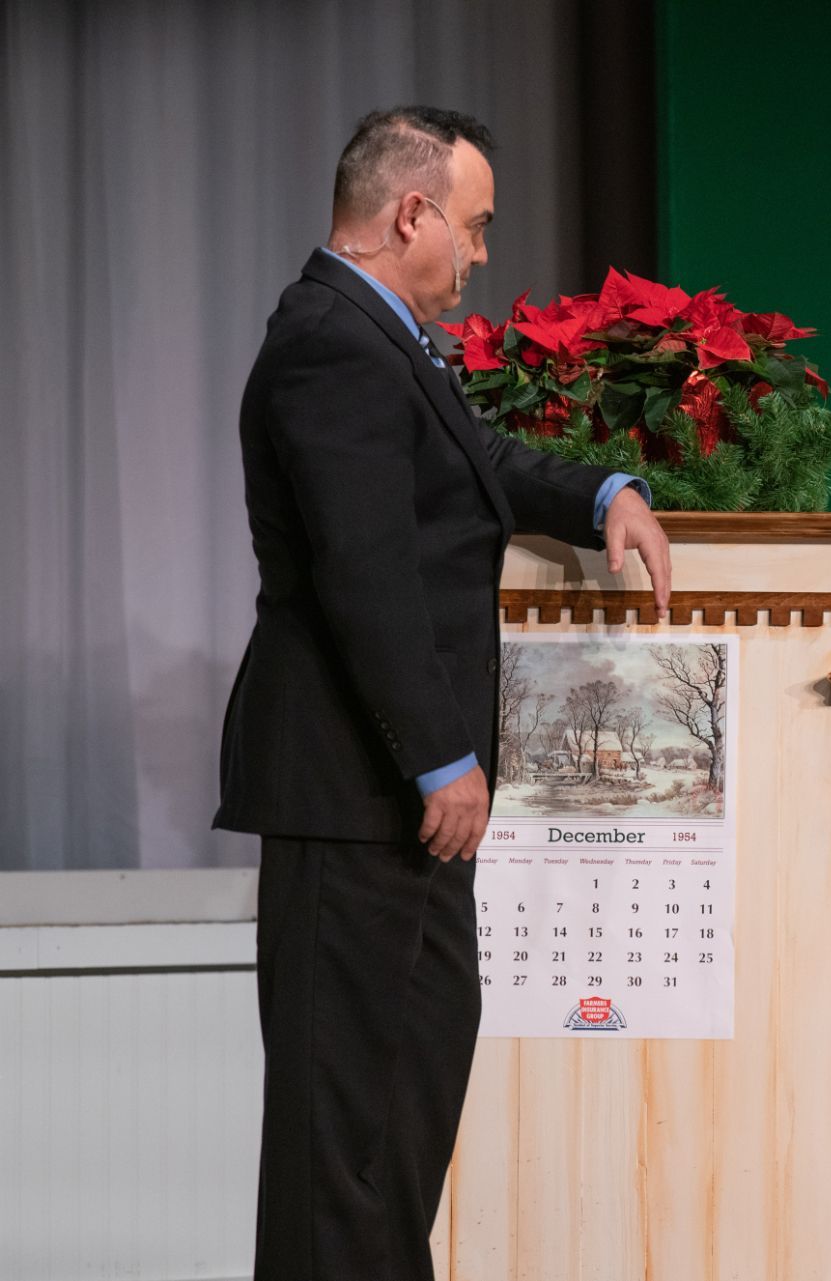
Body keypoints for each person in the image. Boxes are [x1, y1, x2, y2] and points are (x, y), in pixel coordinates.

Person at [212, 106, 672, 1281]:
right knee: (341, 1141)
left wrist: (606, 491)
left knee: (402, 1114)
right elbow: (362, 572)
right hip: (356, 786)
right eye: (473, 227)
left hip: (398, 802)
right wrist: (439, 756)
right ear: (410, 212)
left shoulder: (382, 339)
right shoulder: (329, 341)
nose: (479, 254)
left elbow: (482, 466)